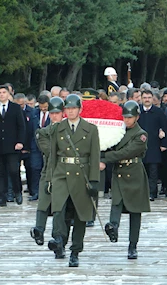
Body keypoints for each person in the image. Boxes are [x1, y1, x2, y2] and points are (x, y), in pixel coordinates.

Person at [45, 94, 101, 267]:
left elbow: (94, 156)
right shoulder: (58, 129)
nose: (70, 112)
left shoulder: (90, 129)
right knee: (59, 209)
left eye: (73, 108)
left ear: (79, 109)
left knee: (80, 215)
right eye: (67, 109)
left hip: (81, 174)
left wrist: (94, 181)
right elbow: (52, 156)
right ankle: (59, 239)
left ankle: (75, 250)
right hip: (61, 173)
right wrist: (50, 179)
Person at [102, 101, 150, 259]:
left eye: (130, 117)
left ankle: (133, 245)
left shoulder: (141, 134)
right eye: (125, 117)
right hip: (119, 172)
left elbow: (126, 152)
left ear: (137, 117)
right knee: (116, 202)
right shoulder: (118, 131)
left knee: (135, 211)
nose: (127, 120)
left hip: (134, 172)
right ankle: (113, 227)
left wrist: (104, 158)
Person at [0, 84, 27, 207]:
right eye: (0, 92)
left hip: (12, 146)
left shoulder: (15, 108)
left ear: (9, 94)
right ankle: (1, 198)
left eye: (4, 92)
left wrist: (20, 142)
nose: (2, 94)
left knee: (14, 171)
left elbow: (21, 126)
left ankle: (17, 192)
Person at [30, 97, 64, 247]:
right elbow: (50, 151)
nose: (54, 116)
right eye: (52, 113)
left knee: (59, 208)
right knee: (43, 203)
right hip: (49, 171)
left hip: (65, 173)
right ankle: (39, 229)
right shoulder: (43, 132)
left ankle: (57, 237)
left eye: (57, 113)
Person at [138, 89, 167, 201]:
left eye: (149, 98)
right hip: (139, 146)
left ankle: (152, 193)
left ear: (152, 99)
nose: (147, 100)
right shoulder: (138, 111)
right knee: (141, 171)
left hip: (154, 146)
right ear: (141, 99)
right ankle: (142, 192)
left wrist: (164, 144)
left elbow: (165, 128)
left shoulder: (158, 112)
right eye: (145, 98)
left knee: (153, 171)